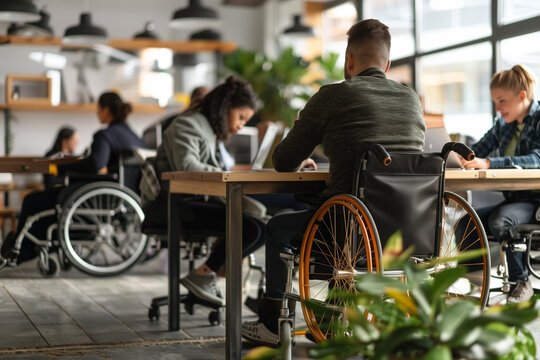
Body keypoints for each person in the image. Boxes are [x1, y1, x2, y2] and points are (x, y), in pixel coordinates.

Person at [241, 19, 425, 346]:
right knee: (327, 211)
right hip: (405, 229)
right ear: (387, 64)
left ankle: (272, 322)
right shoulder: (412, 100)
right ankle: (329, 318)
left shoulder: (333, 95)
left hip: (347, 226)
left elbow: (283, 162)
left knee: (280, 227)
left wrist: (304, 128)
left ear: (349, 61)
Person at [141, 76, 265, 306]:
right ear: (225, 108)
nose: (240, 125)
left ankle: (207, 273)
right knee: (250, 228)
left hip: (192, 202)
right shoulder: (189, 124)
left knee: (259, 226)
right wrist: (229, 174)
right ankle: (204, 275)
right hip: (174, 205)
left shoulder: (207, 128)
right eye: (240, 117)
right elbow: (187, 167)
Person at [2, 91, 145, 264]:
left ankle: (19, 250)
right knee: (41, 206)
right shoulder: (134, 136)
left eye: (98, 109)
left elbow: (95, 164)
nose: (97, 113)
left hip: (97, 196)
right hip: (121, 196)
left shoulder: (105, 134)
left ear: (106, 110)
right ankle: (24, 249)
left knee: (31, 201)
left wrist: (64, 168)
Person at [461, 65, 539, 303]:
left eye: (502, 101)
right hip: (514, 199)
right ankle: (478, 282)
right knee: (466, 222)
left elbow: (537, 159)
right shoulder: (502, 125)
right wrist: (459, 155)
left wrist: (489, 163)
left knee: (500, 219)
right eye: (495, 101)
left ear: (522, 97)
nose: (498, 108)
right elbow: (477, 152)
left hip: (534, 202)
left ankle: (521, 281)